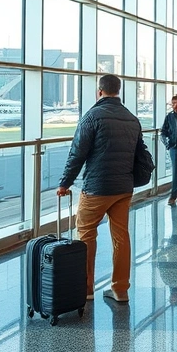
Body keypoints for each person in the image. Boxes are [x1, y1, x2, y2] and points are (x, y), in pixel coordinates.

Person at [57, 74, 143, 303]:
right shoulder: (131, 118)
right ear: (119, 90)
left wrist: (65, 182)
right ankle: (120, 289)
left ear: (100, 91)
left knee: (85, 234)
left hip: (97, 186)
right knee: (121, 237)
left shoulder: (93, 116)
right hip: (124, 187)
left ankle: (86, 289)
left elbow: (77, 153)